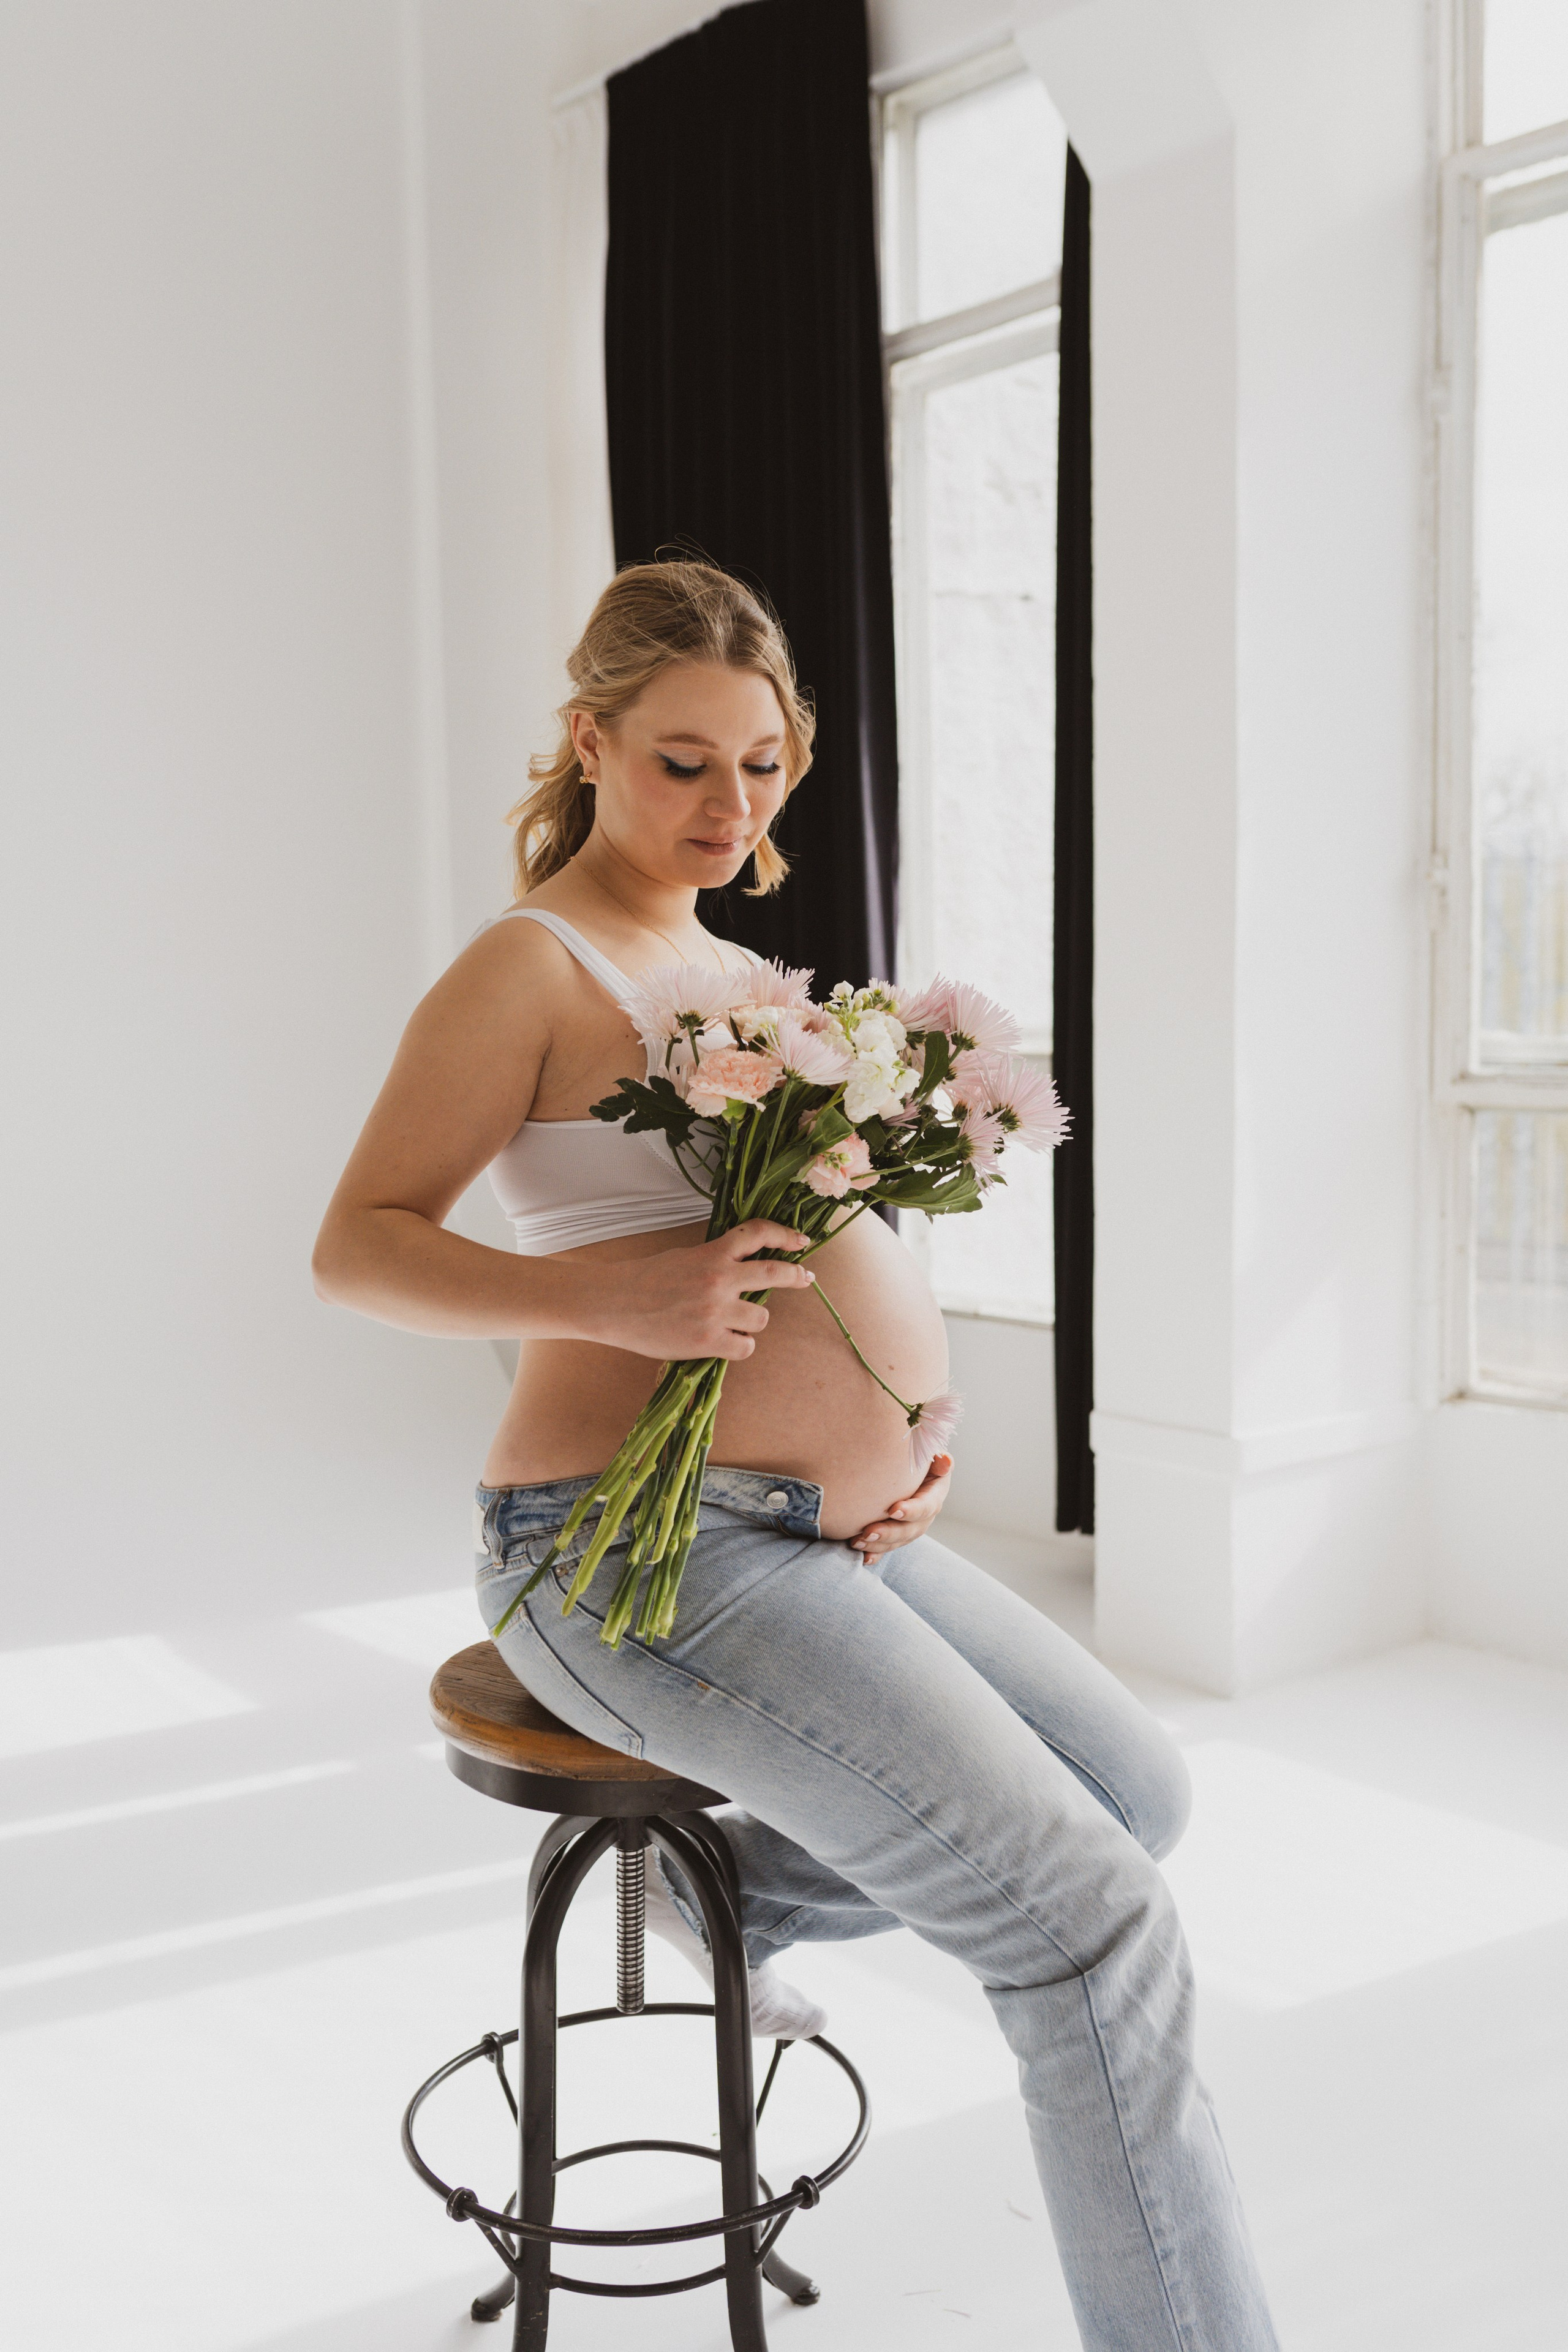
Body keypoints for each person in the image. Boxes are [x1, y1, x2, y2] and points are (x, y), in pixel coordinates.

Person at [312, 560, 1278, 2351]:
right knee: (1090, 1930)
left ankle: (727, 1905)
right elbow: (357, 1243)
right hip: (624, 1551)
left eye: (761, 768)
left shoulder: (741, 964)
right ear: (590, 742)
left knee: (1141, 1798)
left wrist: (903, 1412)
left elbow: (812, 1240)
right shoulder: (529, 966)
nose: (728, 806)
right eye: (684, 763)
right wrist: (620, 1300)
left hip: (816, 1535)